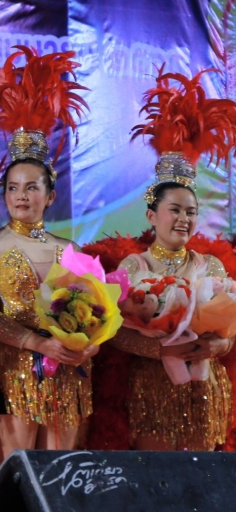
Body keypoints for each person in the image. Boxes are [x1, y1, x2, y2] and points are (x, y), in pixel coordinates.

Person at [0, 46, 95, 470]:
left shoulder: (69, 250)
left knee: (62, 474)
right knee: (14, 471)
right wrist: (37, 342)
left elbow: (94, 313)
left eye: (32, 187)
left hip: (68, 372)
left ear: (50, 196)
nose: (21, 196)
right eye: (13, 188)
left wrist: (87, 347)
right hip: (11, 370)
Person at [111, 69, 236, 451]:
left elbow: (229, 327)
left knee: (204, 482)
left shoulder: (211, 267)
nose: (184, 219)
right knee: (154, 477)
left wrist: (219, 347)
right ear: (152, 215)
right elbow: (114, 332)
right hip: (152, 389)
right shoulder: (132, 268)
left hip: (204, 387)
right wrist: (160, 350)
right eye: (175, 210)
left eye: (191, 212)